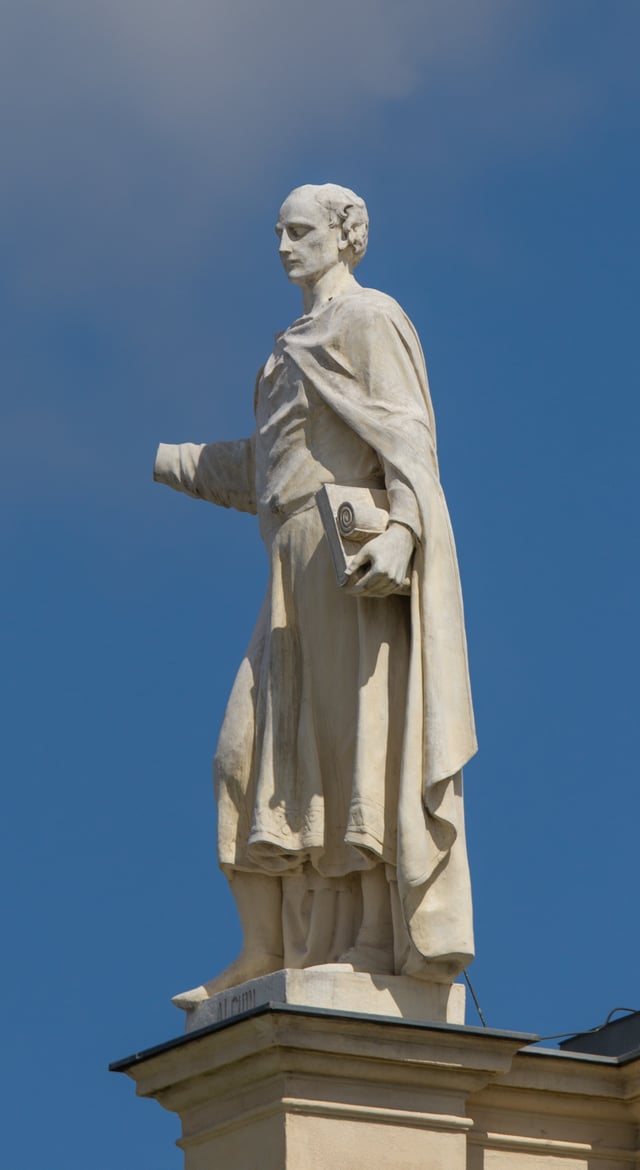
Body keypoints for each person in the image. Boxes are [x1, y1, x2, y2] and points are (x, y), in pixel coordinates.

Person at [154, 183, 477, 1005]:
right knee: (247, 754)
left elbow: (407, 439)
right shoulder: (284, 350)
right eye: (277, 233)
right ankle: (266, 948)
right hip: (288, 563)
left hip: (345, 551)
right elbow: (267, 469)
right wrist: (172, 460)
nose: (283, 246)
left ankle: (369, 941)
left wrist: (404, 532)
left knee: (352, 748)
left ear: (345, 236)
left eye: (299, 232)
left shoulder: (368, 320)